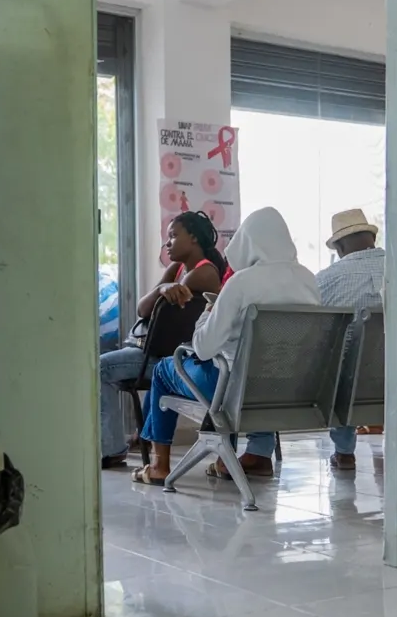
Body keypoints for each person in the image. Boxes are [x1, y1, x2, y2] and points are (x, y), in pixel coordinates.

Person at [132, 207, 320, 486]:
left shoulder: (242, 283)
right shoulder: (309, 281)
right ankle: (255, 458)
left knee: (164, 368)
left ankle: (159, 467)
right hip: (289, 390)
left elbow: (204, 348)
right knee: (260, 368)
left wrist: (209, 311)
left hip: (234, 391)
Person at [99, 211, 227, 468]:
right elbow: (143, 308)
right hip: (159, 353)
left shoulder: (204, 274)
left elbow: (150, 310)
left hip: (170, 359)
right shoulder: (177, 268)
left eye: (173, 236)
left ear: (192, 238)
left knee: (99, 368)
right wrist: (161, 289)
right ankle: (130, 441)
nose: (167, 243)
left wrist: (164, 291)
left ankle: (112, 448)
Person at [316, 208, 386, 471]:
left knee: (340, 358)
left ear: (341, 245)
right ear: (371, 238)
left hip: (347, 384)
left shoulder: (325, 280)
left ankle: (345, 452)